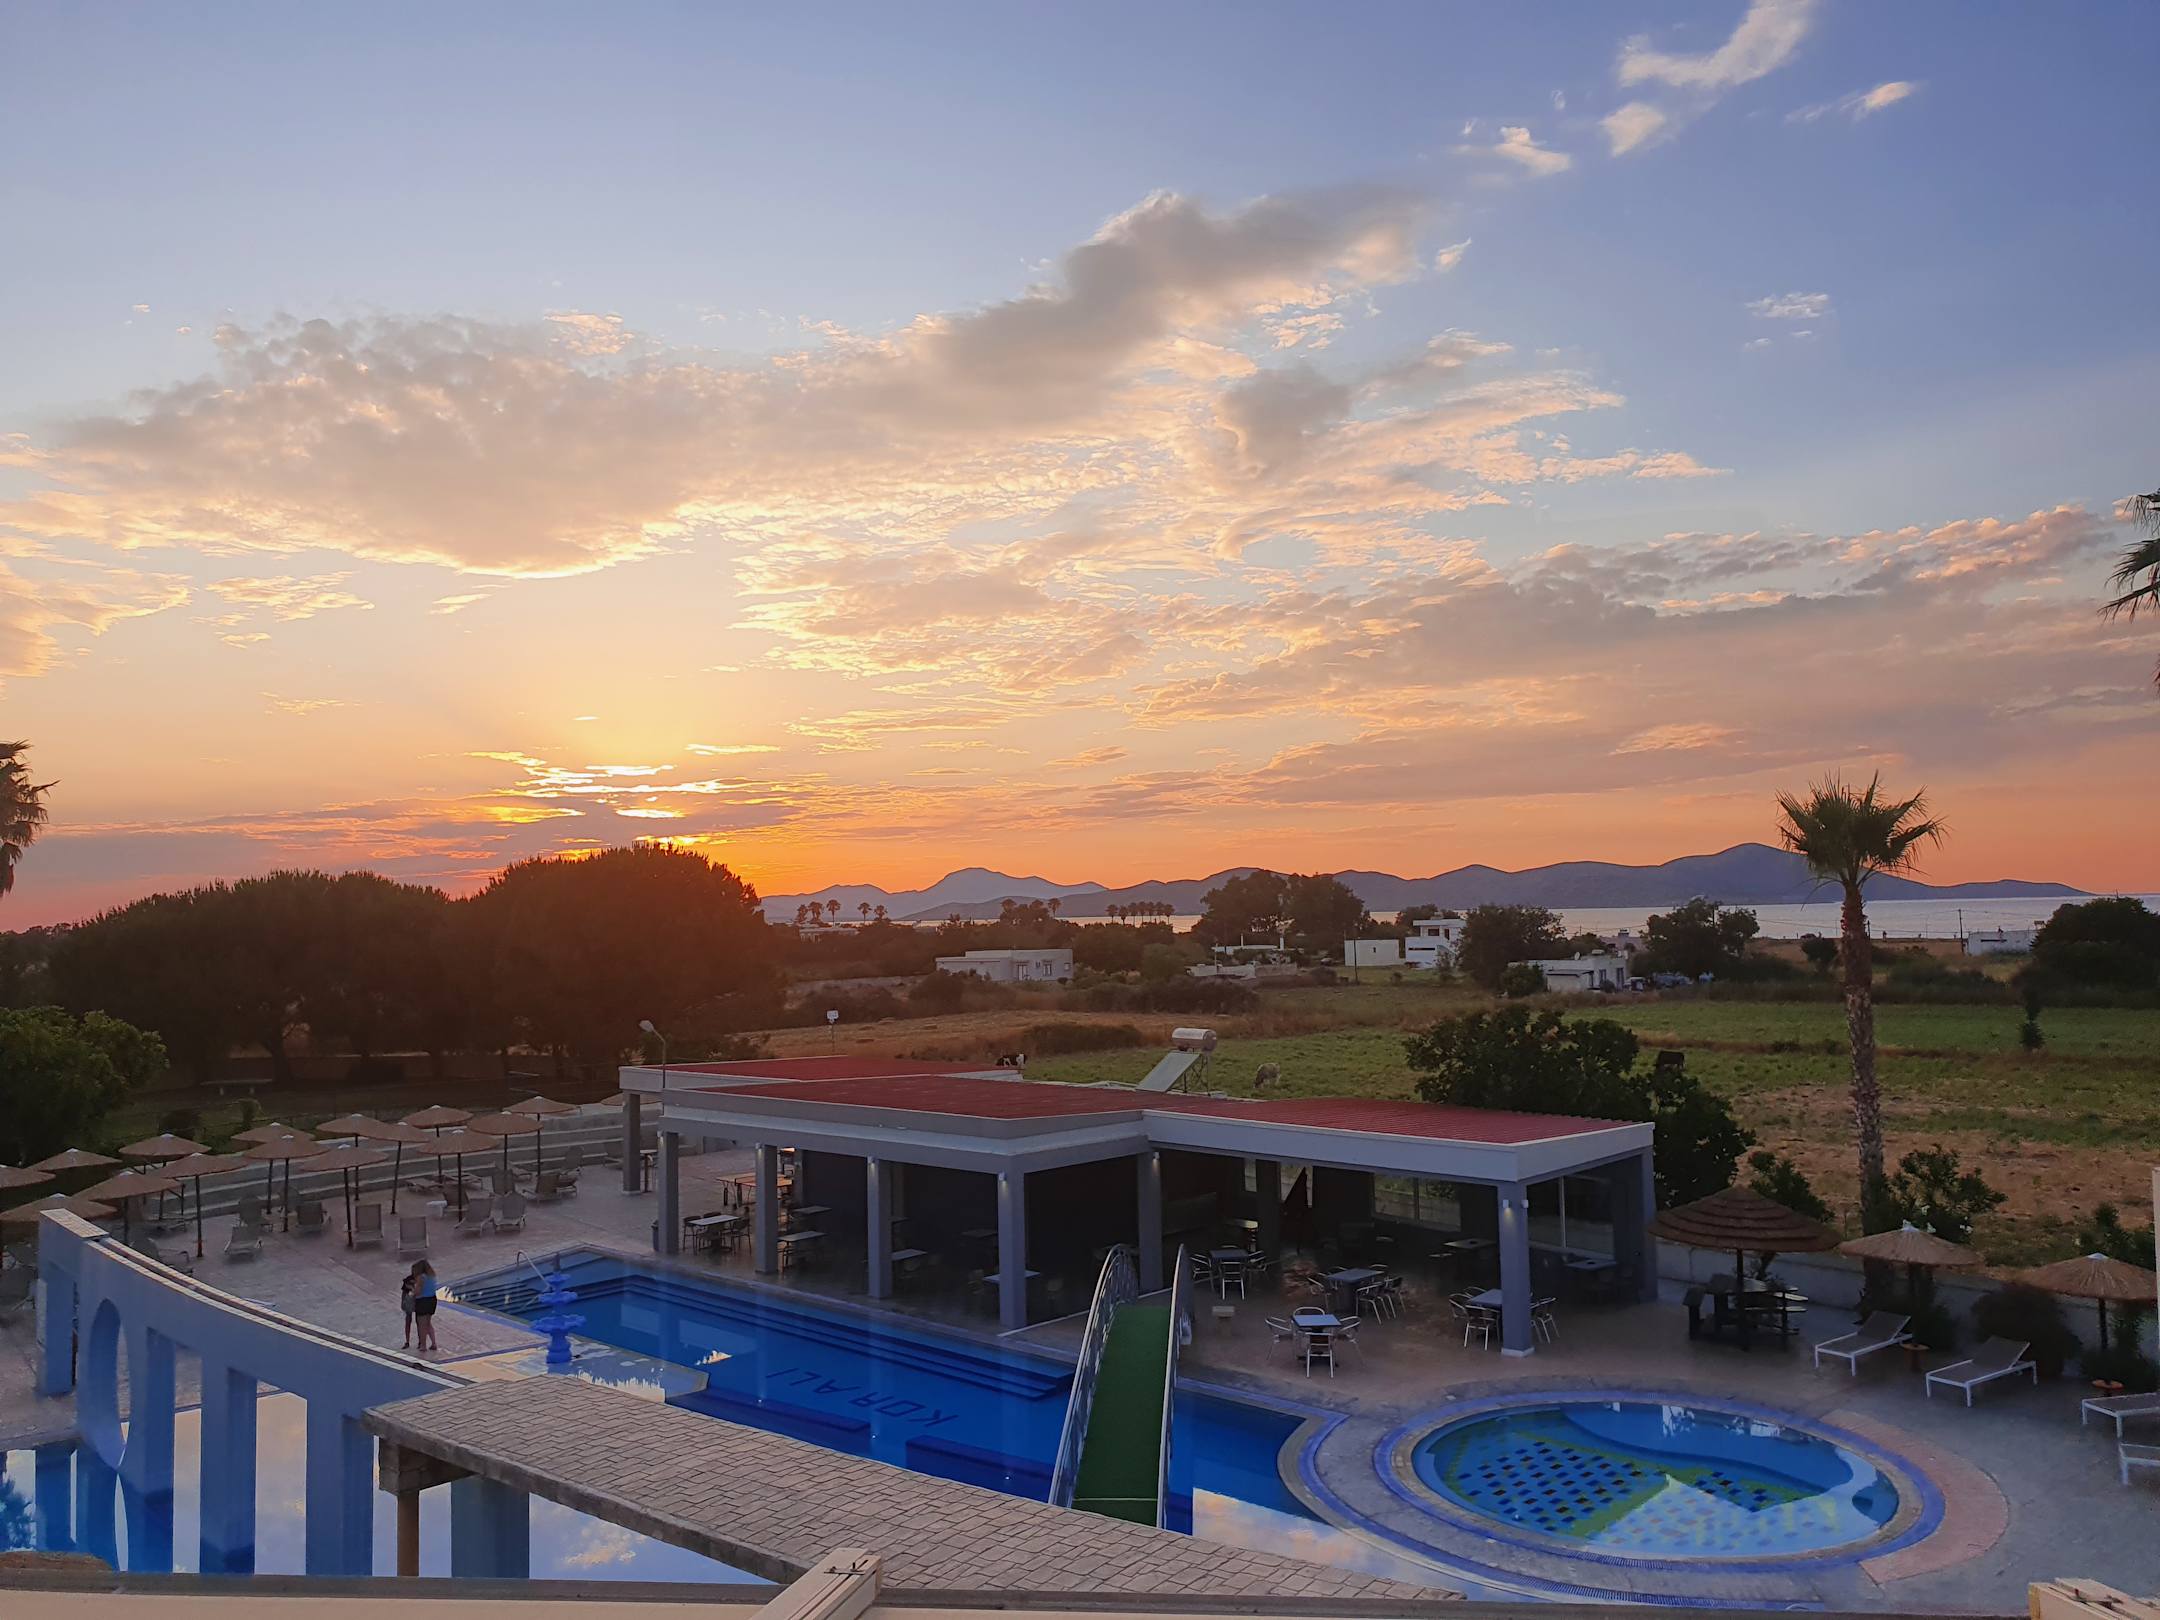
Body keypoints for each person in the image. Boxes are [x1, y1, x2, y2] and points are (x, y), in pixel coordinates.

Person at [412, 1259, 440, 1353]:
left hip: (423, 1301)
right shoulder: (432, 1276)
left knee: (422, 1325)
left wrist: (412, 1294)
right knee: (428, 1323)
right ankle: (434, 1343)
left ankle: (423, 1345)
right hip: (432, 1300)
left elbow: (418, 1291)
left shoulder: (421, 1277)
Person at [399, 1263, 418, 1348]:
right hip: (411, 1303)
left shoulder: (417, 1280)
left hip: (414, 1303)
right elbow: (404, 1293)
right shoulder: (409, 1280)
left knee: (416, 1322)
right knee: (410, 1321)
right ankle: (408, 1341)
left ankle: (418, 1341)